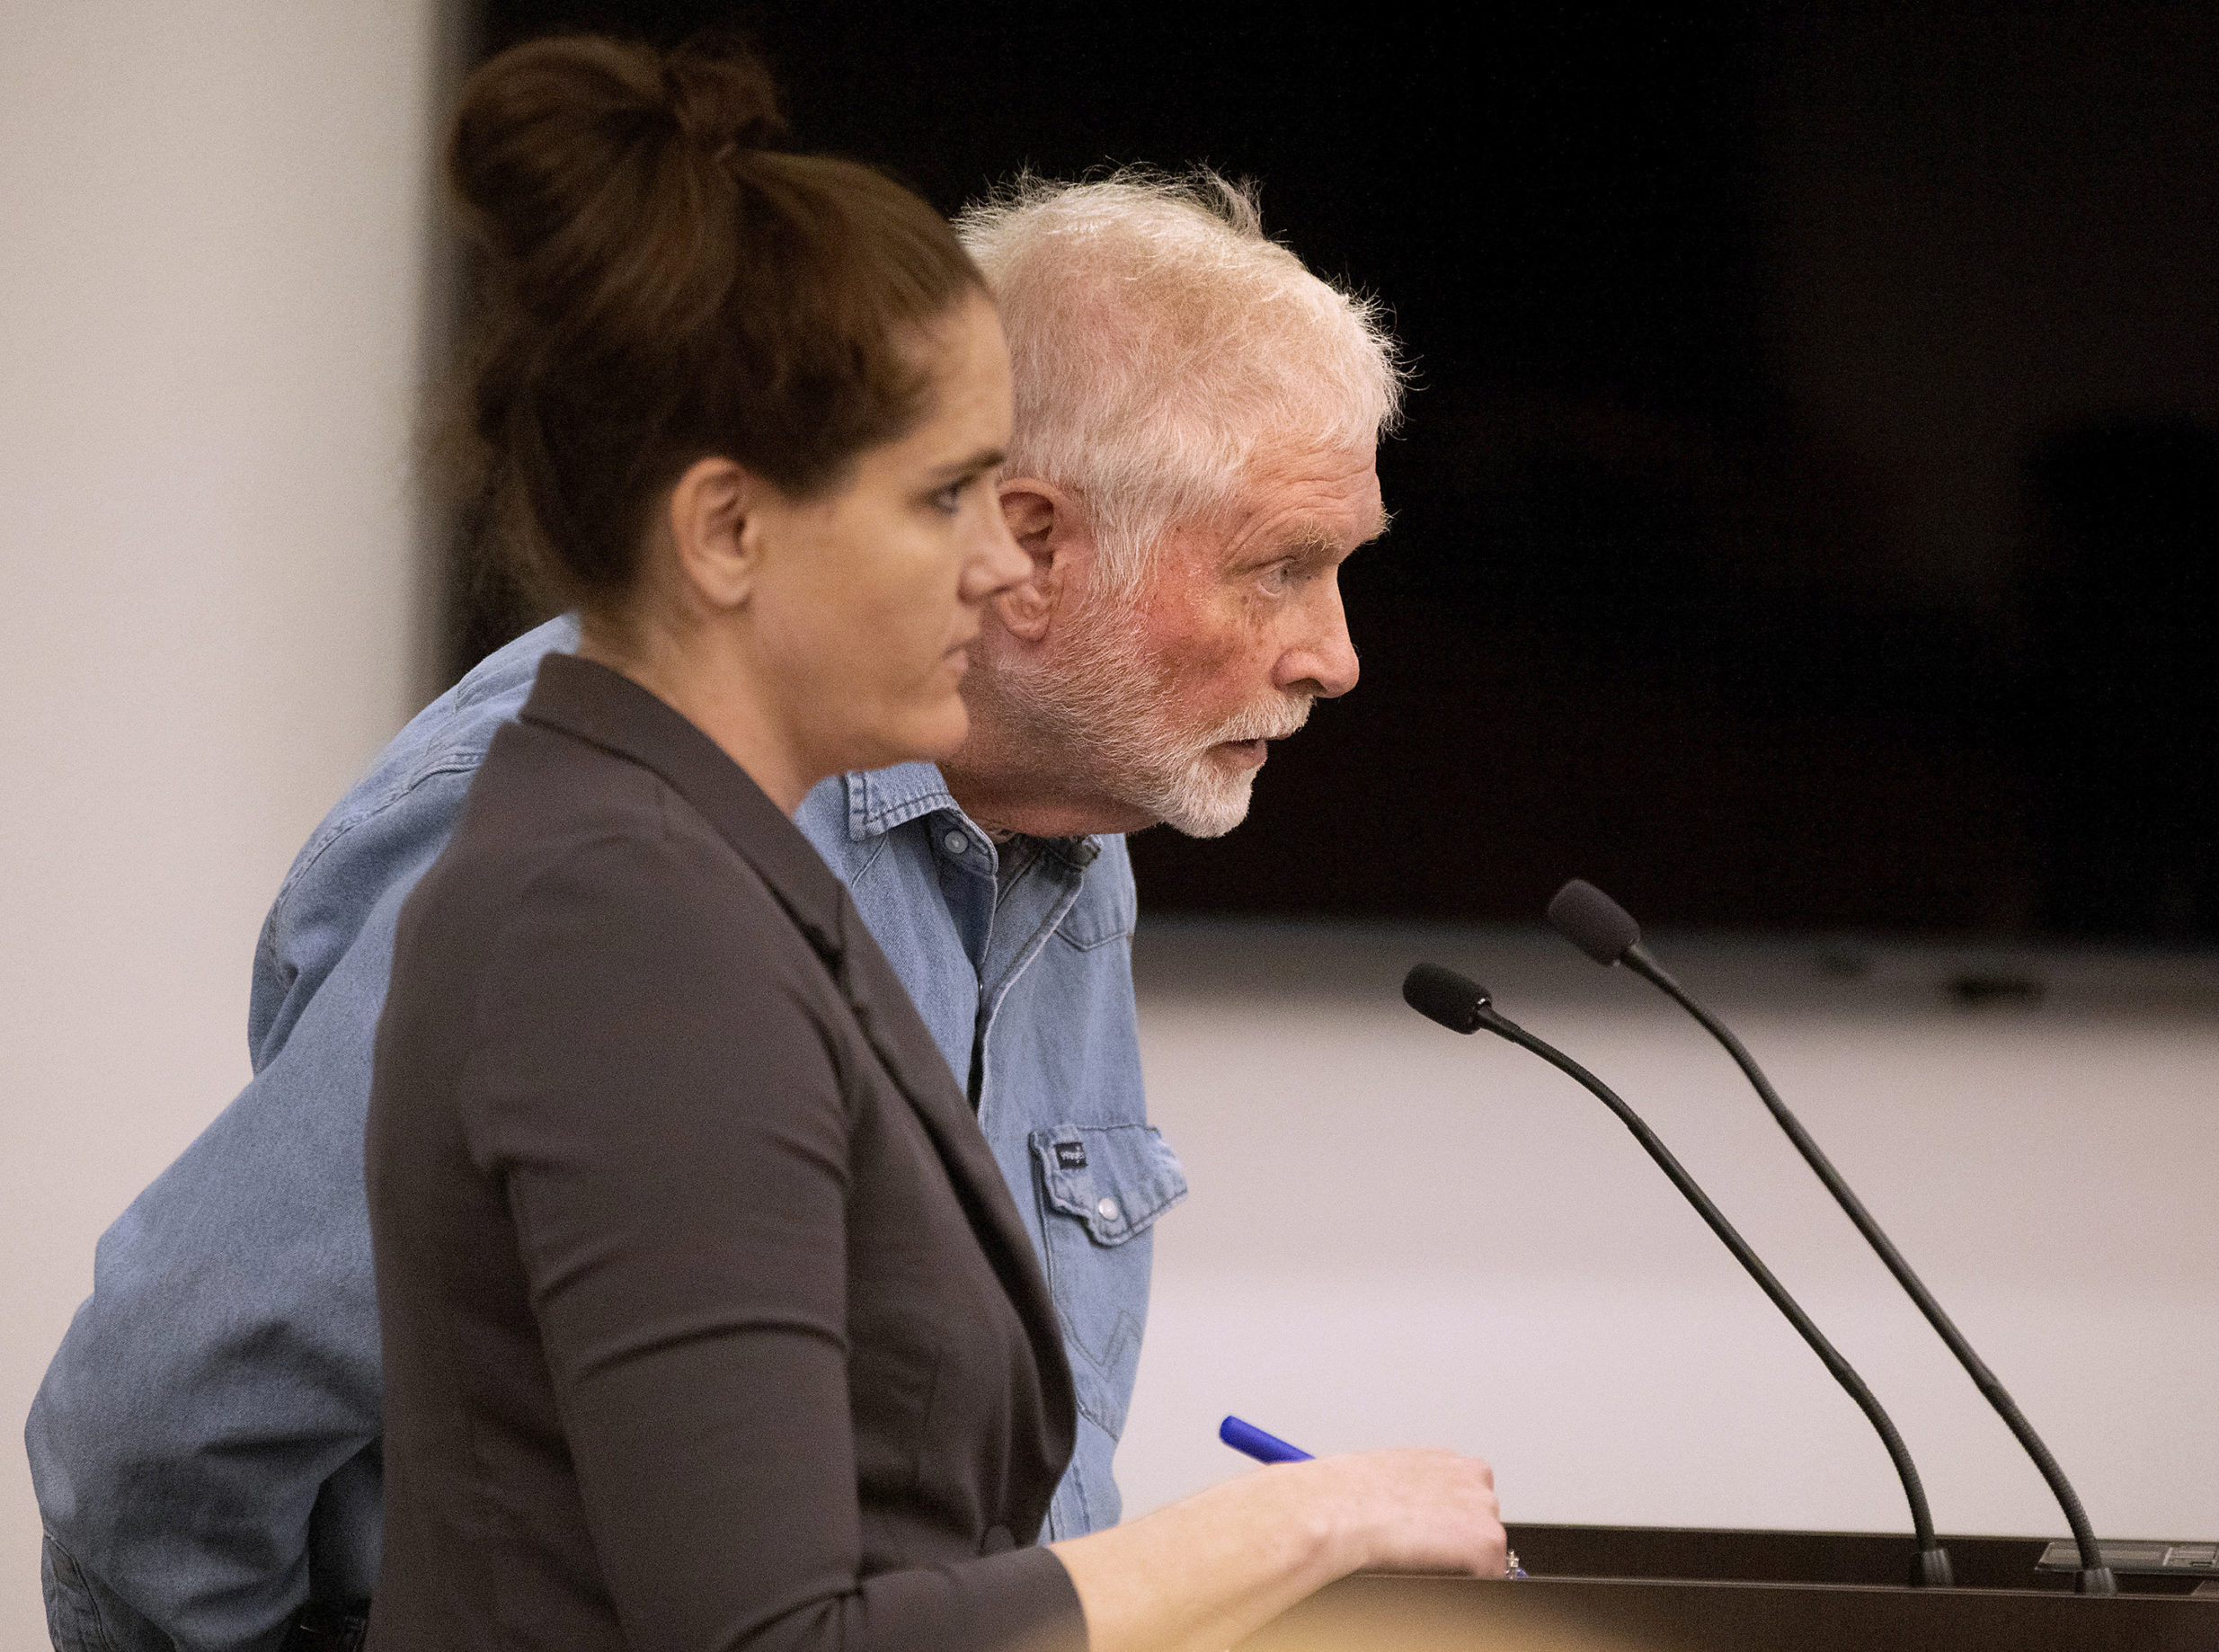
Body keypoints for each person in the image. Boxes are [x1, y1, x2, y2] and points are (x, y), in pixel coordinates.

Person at [27, 44, 1409, 1652]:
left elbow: (954, 1516)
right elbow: (164, 1427)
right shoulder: (597, 872)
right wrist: (1298, 1527)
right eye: (1280, 567)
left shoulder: (1064, 840)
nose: (1335, 654)